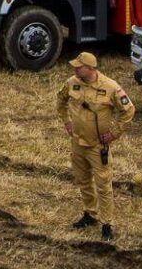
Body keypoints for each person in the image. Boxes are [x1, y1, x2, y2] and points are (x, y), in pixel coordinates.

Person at [55, 51, 135, 241]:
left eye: (79, 66)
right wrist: (67, 121)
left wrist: (114, 133)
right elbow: (61, 100)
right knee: (83, 180)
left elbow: (128, 110)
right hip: (78, 142)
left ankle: (106, 223)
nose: (75, 68)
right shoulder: (72, 82)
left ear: (90, 68)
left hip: (97, 146)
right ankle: (90, 213)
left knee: (103, 185)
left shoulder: (110, 87)